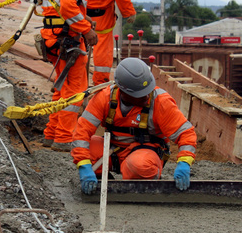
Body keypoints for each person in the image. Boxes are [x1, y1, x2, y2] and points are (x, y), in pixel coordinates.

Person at [71, 58, 196, 194]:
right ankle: (100, 182)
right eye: (140, 95)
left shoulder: (161, 102)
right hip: (114, 150)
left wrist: (184, 162)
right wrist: (84, 166)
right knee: (87, 149)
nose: (146, 97)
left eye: (148, 91)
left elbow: (186, 133)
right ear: (123, 91)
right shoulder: (104, 98)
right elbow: (81, 132)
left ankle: (142, 183)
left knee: (140, 166)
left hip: (145, 152)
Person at [39, 0, 99, 151]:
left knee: (61, 88)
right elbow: (66, 6)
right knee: (75, 90)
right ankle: (64, 138)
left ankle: (51, 134)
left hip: (53, 36)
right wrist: (86, 29)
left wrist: (84, 20)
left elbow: (59, 6)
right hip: (68, 39)